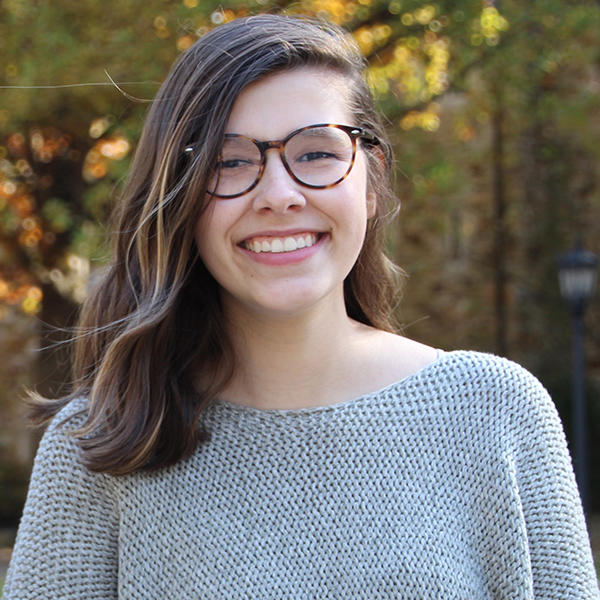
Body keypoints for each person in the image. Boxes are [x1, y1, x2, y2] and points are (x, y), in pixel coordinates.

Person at [4, 14, 599, 599]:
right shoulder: (102, 444)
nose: (279, 195)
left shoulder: (494, 413)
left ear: (370, 182)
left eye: (316, 153)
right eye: (230, 161)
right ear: (179, 199)